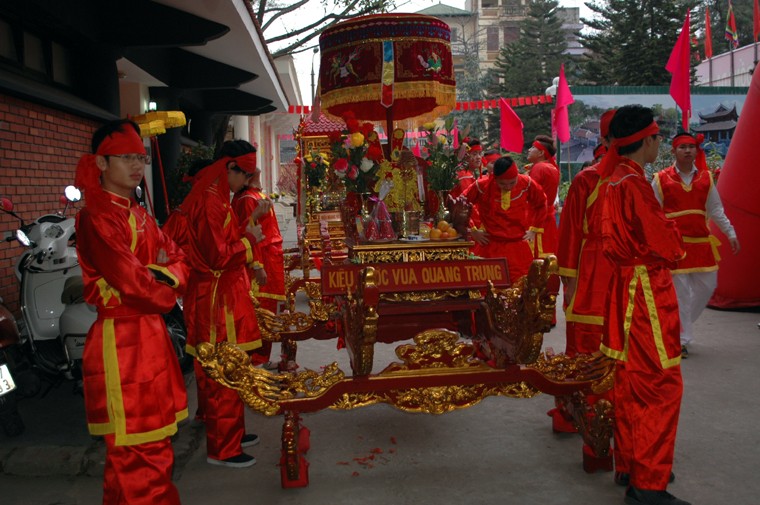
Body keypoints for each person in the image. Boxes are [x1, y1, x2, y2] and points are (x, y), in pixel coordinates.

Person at [74, 119, 189, 504]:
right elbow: (135, 286)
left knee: (147, 448)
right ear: (101, 163)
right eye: (125, 158)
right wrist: (162, 278)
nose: (137, 165)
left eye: (140, 157)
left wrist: (158, 274)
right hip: (122, 344)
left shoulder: (136, 213)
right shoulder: (97, 217)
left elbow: (179, 260)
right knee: (139, 452)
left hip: (150, 339)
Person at [600, 105, 689, 505]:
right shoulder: (635, 186)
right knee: (660, 386)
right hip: (647, 292)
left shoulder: (614, 180)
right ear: (648, 141)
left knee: (630, 383)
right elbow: (668, 247)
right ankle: (649, 485)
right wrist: (675, 235)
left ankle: (631, 466)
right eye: (658, 139)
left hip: (622, 290)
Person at [180, 142, 265, 468]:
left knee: (231, 370)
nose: (246, 181)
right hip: (217, 301)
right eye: (244, 174)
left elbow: (224, 245)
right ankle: (223, 448)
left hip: (225, 294)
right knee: (224, 373)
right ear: (229, 167)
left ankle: (232, 433)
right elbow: (219, 255)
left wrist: (245, 237)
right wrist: (250, 240)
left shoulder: (218, 198)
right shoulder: (210, 202)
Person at [552, 110, 616, 434]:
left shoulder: (638, 181)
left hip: (626, 281)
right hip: (593, 276)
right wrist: (571, 285)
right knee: (584, 352)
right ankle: (575, 415)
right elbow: (571, 235)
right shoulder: (587, 180)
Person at [651, 133, 740, 358]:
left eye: (691, 147)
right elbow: (652, 213)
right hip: (674, 246)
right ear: (674, 151)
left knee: (708, 286)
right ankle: (681, 339)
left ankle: (677, 326)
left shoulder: (706, 179)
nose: (688, 151)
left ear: (696, 151)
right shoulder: (661, 179)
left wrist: (730, 232)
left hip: (701, 244)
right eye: (682, 147)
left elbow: (716, 209)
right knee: (679, 295)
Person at [226, 140, 285, 370]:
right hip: (262, 259)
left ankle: (263, 357)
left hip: (271, 256)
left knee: (269, 310)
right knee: (262, 310)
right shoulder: (248, 199)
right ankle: (257, 359)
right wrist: (258, 264)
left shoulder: (254, 196)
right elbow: (250, 232)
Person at [461, 156, 547, 283]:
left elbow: (541, 203)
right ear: (494, 178)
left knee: (521, 287)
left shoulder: (526, 182)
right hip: (490, 245)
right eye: (502, 183)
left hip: (518, 247)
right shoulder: (482, 185)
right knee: (488, 287)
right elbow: (461, 203)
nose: (508, 187)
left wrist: (534, 229)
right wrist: (473, 230)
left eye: (512, 182)